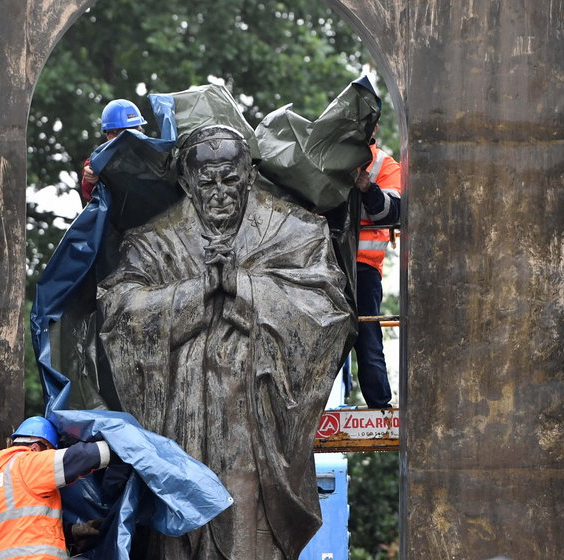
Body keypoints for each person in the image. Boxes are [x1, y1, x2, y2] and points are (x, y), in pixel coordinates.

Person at [97, 125, 354, 559]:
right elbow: (120, 312)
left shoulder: (297, 232)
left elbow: (328, 313)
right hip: (180, 427)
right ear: (185, 183)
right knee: (177, 532)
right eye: (206, 181)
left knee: (247, 530)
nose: (219, 193)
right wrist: (197, 290)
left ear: (250, 176)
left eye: (230, 179)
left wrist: (241, 287)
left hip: (254, 428)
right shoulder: (154, 241)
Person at [0, 416, 111, 560]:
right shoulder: (26, 462)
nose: (50, 455)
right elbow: (80, 457)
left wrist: (71, 533)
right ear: (36, 448)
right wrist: (120, 446)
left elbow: (19, 528)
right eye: (50, 451)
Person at [352, 126, 401, 409]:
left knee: (367, 335)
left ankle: (380, 404)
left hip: (363, 268)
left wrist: (368, 189)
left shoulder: (383, 163)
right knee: (323, 337)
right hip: (327, 266)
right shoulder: (328, 158)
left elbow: (392, 211)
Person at [80, 99, 148, 206]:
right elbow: (90, 194)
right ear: (111, 137)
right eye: (130, 133)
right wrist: (92, 179)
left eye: (138, 131)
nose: (137, 137)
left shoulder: (152, 152)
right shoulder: (99, 162)